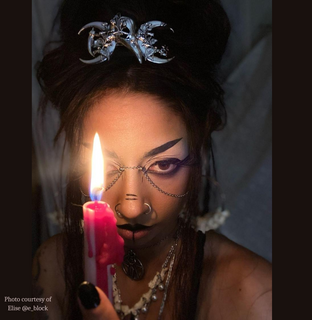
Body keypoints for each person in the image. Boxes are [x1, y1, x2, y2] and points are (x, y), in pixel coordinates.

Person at [32, 0, 272, 319]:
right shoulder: (49, 268)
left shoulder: (255, 295)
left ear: (198, 145)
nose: (132, 208)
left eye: (163, 165)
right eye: (106, 167)